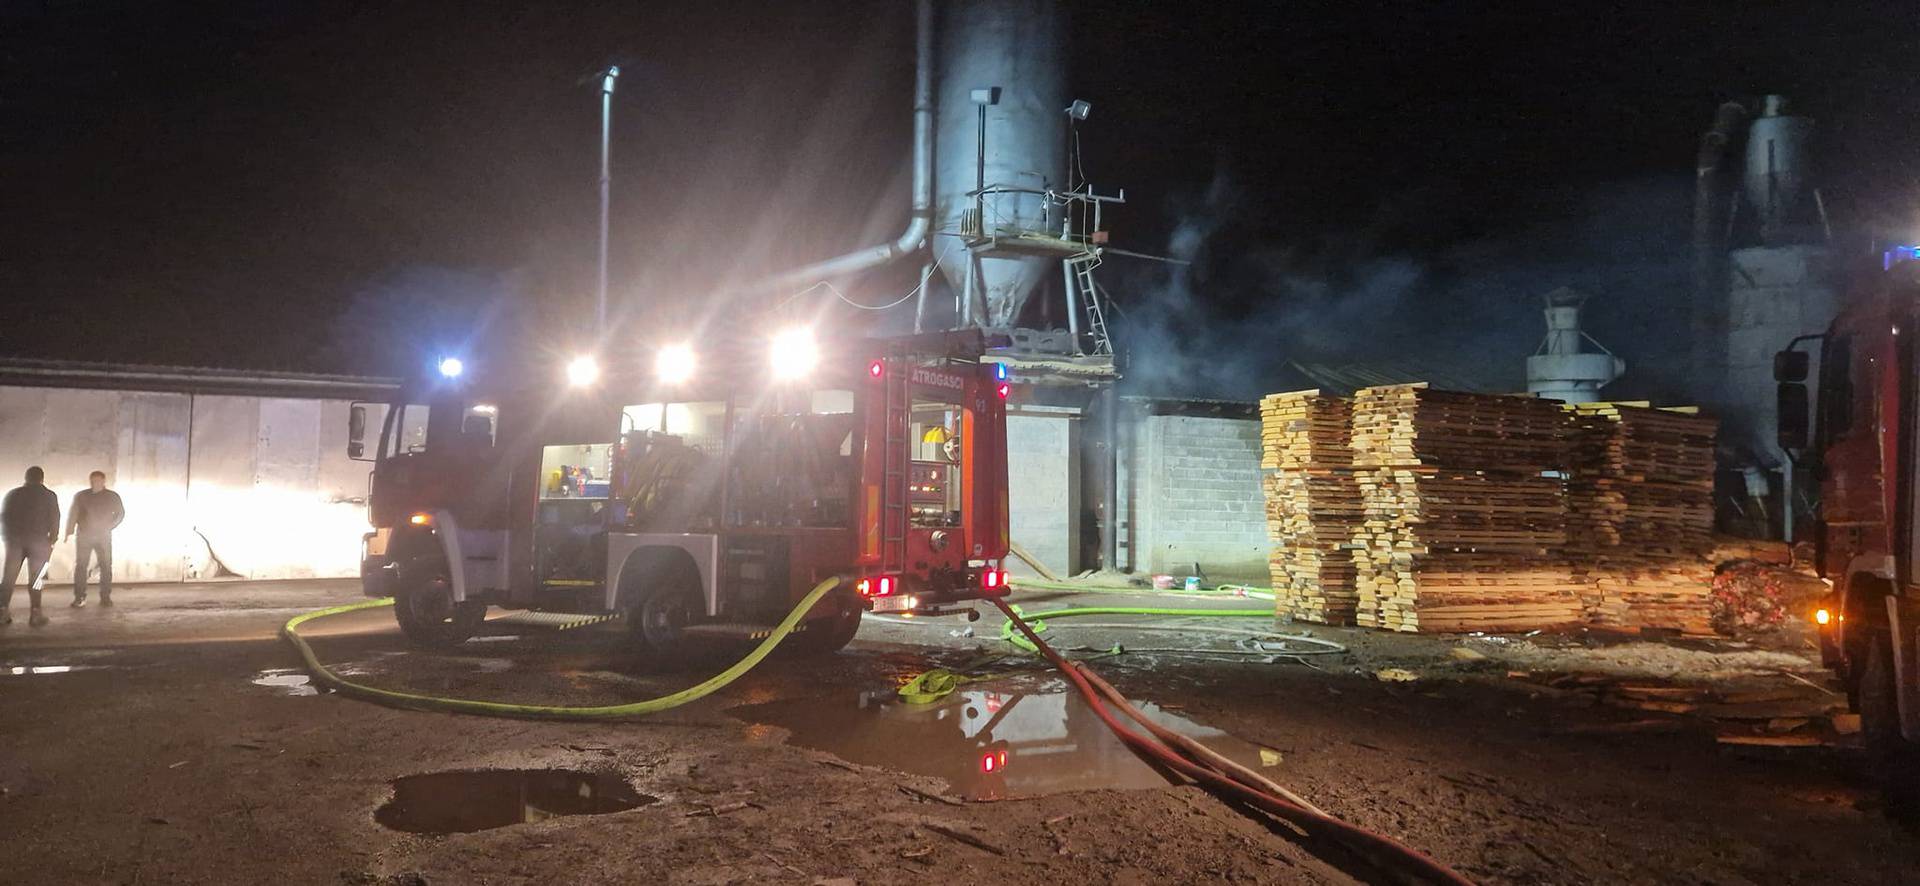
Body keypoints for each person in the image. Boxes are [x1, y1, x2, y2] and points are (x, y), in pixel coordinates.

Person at [1, 466, 61, 627]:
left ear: (26, 478)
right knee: (36, 579)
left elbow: (4, 517)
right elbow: (55, 518)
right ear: (42, 478)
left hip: (15, 542)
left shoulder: (13, 494)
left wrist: (8, 538)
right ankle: (35, 614)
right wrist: (53, 539)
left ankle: (2, 611)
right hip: (39, 543)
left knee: (8, 578)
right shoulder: (49, 495)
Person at [65, 470, 125, 608]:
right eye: (93, 481)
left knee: (105, 566)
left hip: (103, 536)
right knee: (81, 566)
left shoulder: (112, 496)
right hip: (85, 536)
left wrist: (109, 526)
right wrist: (69, 530)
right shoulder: (81, 496)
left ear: (104, 481)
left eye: (98, 481)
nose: (95, 483)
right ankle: (79, 597)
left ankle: (105, 597)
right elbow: (74, 512)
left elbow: (121, 514)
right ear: (90, 481)